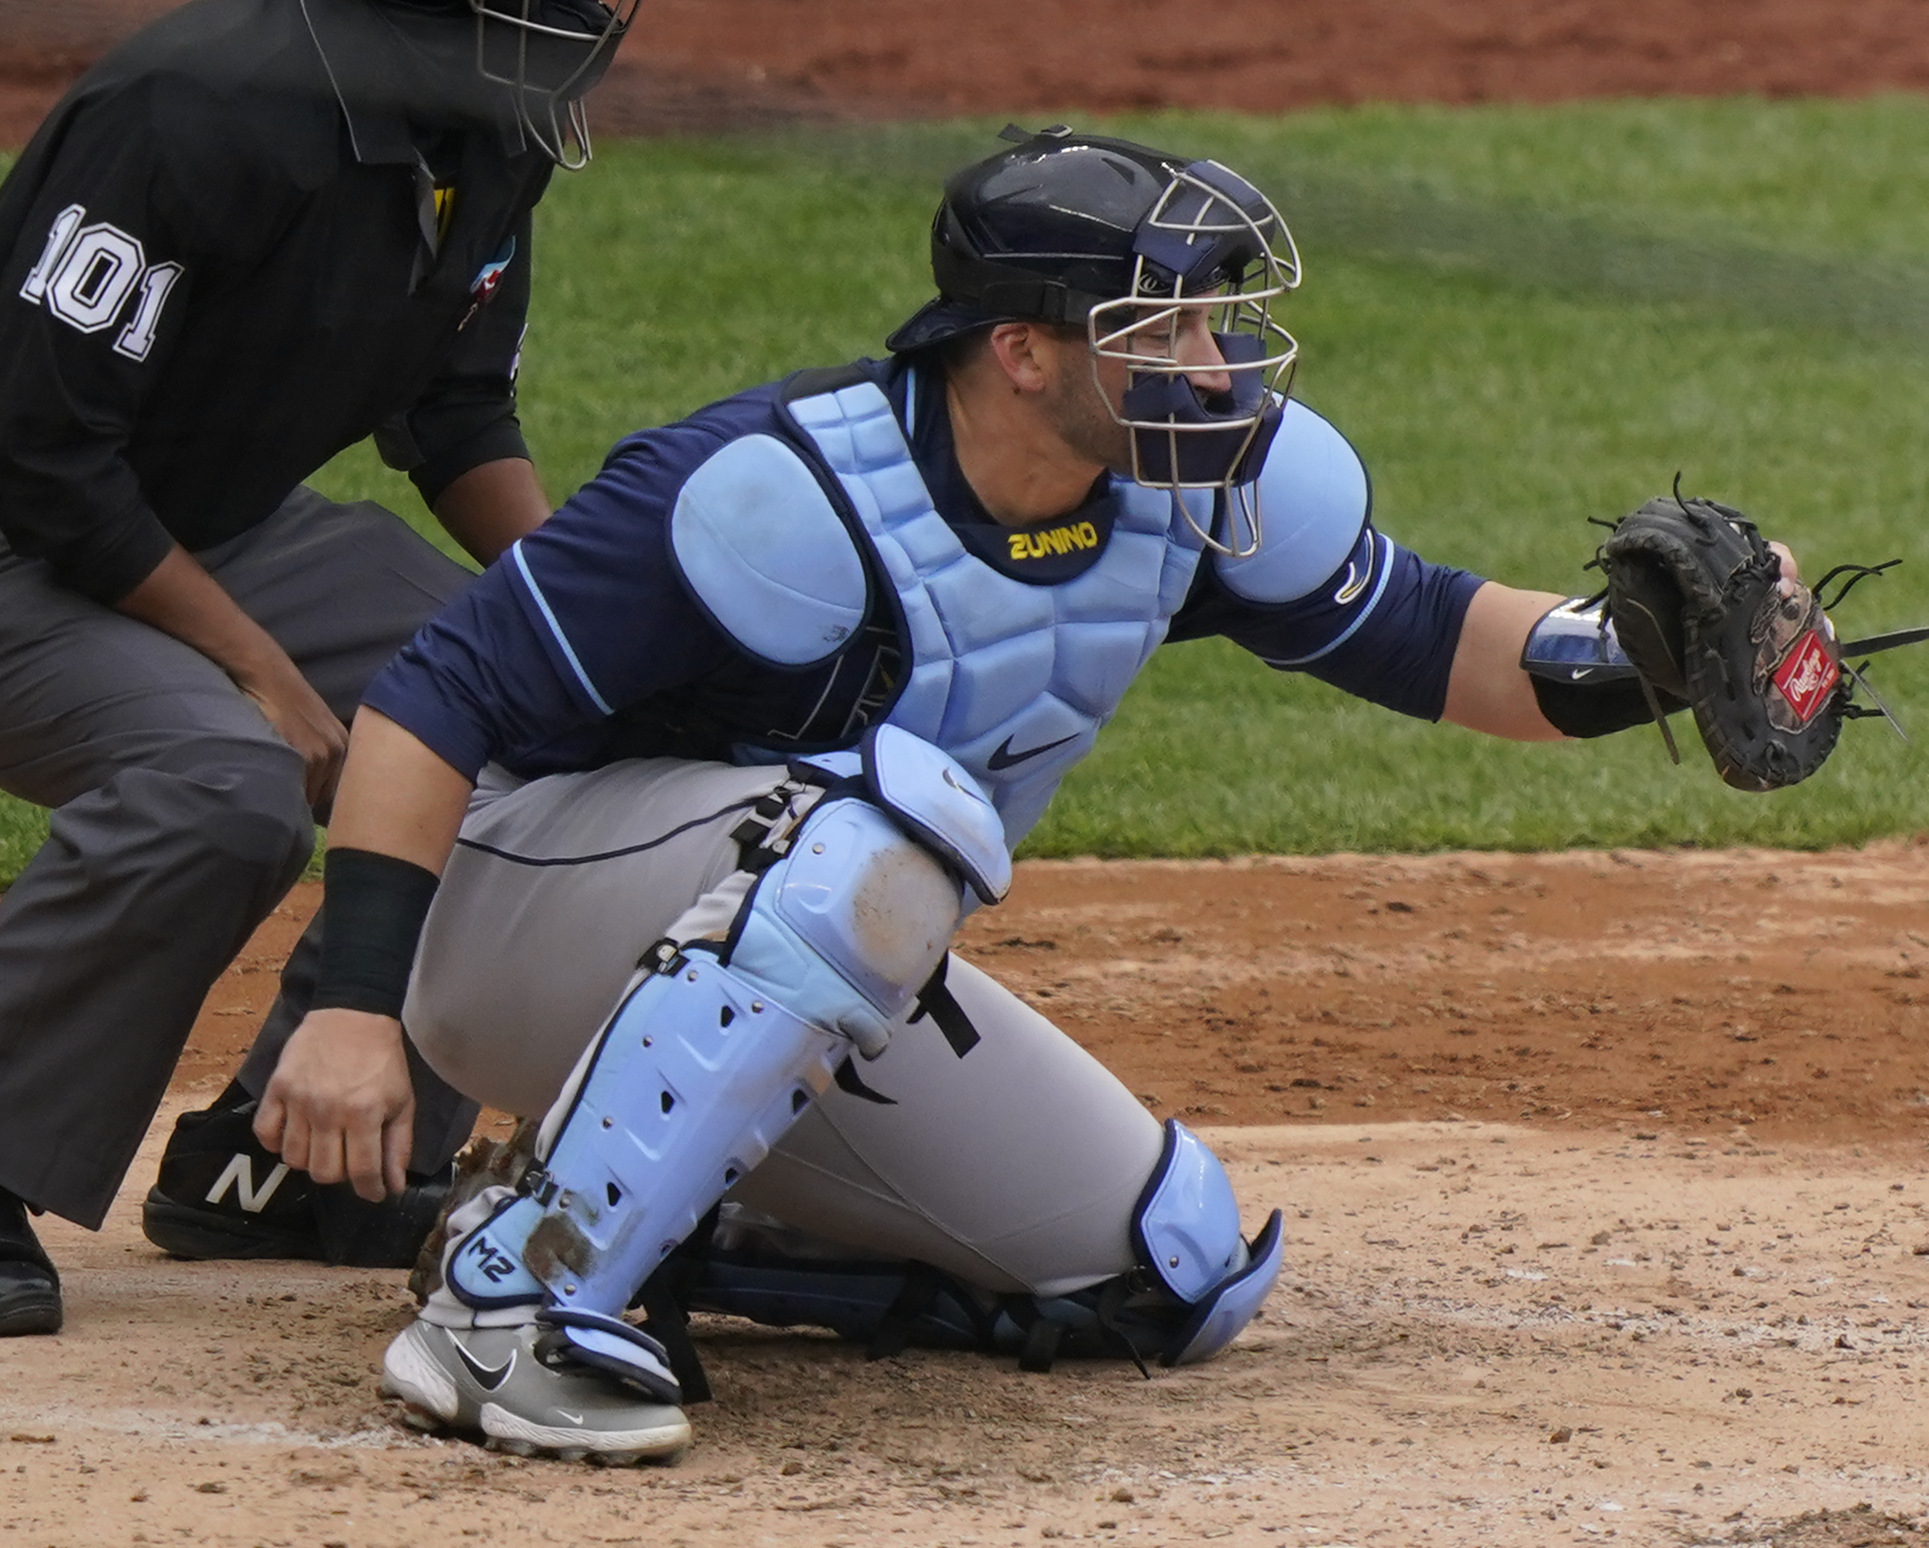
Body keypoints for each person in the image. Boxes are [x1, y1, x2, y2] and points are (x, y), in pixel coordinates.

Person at [241, 129, 1785, 1460]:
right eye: (1162, 325)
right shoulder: (772, 494)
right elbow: (433, 697)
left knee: (1163, 1274)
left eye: (1216, 318)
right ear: (1021, 348)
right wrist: (355, 1001)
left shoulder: (1194, 487)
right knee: (872, 829)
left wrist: (1658, 656)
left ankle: (679, 1210)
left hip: (786, 939)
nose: (1214, 357)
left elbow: (1440, 639)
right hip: (522, 922)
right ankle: (508, 1300)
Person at [0, 0, 660, 1336]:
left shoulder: (490, 101)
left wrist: (593, 628)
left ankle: (300, 1163)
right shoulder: (191, 110)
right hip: (30, 521)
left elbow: (453, 414)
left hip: (187, 520)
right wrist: (262, 676)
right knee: (223, 782)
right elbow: (42, 458)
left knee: (521, 716)